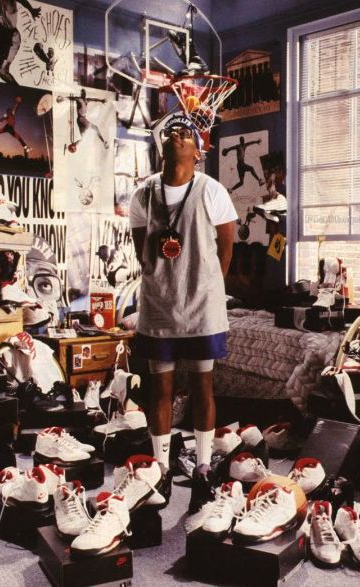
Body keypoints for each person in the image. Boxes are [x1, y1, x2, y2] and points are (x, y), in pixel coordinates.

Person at [129, 113, 237, 514]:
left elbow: (226, 249)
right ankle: (159, 470)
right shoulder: (143, 195)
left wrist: (208, 287)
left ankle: (204, 466)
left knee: (203, 384)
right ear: (162, 147)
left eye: (186, 133)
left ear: (197, 152)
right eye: (172, 132)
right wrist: (165, 280)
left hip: (201, 305)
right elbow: (144, 250)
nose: (177, 134)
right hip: (159, 305)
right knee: (160, 389)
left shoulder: (212, 191)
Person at [0, 0, 42, 85]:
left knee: (1, 71)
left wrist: (31, 10)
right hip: (0, 32)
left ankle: (17, 88)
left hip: (11, 37)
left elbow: (23, 1)